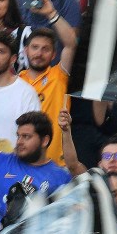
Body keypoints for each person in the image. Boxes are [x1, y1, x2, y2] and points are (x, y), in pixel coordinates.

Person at [0, 110, 69, 232]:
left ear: (44, 141)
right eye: (18, 136)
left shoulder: (60, 177)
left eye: (26, 136)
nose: (19, 141)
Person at [19, 24, 76, 168]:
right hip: (22, 162)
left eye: (45, 49)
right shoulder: (16, 81)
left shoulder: (59, 76)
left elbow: (71, 44)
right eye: (35, 47)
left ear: (53, 54)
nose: (39, 53)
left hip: (55, 164)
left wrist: (52, 14)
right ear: (26, 50)